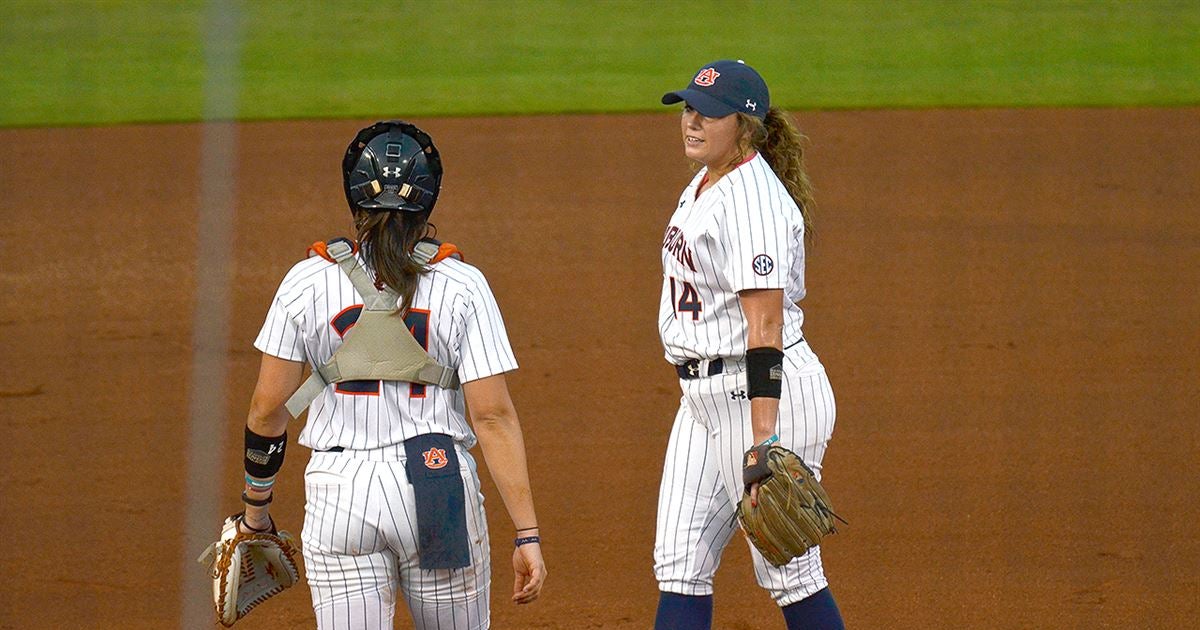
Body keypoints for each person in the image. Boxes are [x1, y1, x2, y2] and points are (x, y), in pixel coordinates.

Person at [232, 120, 546, 629]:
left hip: (340, 493)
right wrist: (527, 534)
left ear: (352, 194)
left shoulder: (306, 281)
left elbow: (267, 413)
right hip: (436, 482)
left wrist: (256, 513)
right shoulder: (462, 284)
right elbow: (491, 416)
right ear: (429, 199)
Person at [652, 60, 845, 629]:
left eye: (708, 114)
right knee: (680, 561)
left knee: (790, 571)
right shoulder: (707, 178)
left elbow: (766, 329)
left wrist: (766, 442)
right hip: (704, 398)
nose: (691, 121)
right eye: (688, 108)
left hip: (763, 395)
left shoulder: (754, 202)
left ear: (745, 125)